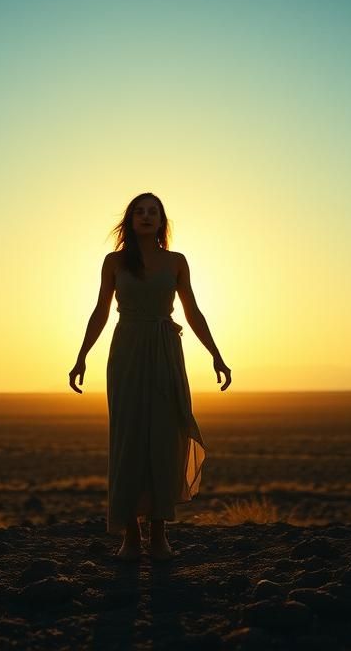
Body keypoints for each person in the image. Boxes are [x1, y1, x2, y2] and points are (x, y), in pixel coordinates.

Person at [69, 192, 231, 562]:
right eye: (139, 211)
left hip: (164, 351)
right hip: (126, 350)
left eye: (152, 212)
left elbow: (193, 312)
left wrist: (216, 355)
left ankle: (159, 534)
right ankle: (130, 535)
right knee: (128, 439)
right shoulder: (113, 262)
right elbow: (100, 312)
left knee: (164, 436)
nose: (145, 216)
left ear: (162, 221)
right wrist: (81, 357)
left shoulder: (176, 262)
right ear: (130, 220)